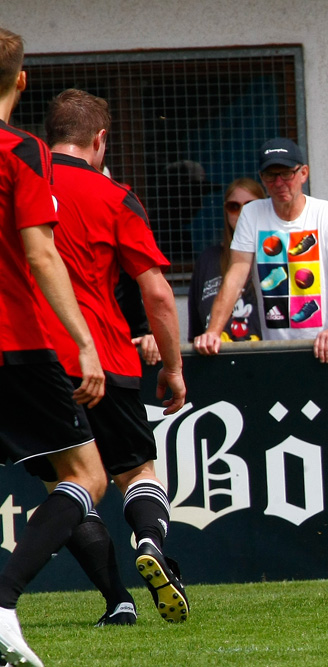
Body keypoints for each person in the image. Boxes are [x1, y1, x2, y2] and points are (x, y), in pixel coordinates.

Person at [38, 88, 189, 624]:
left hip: (39, 362)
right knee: (137, 470)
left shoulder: (21, 185)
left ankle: (117, 601)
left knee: (68, 484)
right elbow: (157, 292)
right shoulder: (114, 196)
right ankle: (150, 540)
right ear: (99, 139)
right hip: (108, 356)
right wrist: (171, 367)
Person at [0, 27, 110, 667]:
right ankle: (4, 599)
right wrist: (85, 343)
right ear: (21, 81)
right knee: (85, 476)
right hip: (15, 341)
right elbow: (41, 252)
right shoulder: (23, 149)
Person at [193, 138, 328, 363]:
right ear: (262, 178)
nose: (279, 182)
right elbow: (236, 276)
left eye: (286, 174)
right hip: (276, 350)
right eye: (270, 176)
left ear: (304, 173)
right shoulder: (253, 213)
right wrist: (213, 332)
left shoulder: (326, 214)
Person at [188, 177, 266, 340]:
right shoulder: (208, 259)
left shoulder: (276, 256)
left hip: (267, 357)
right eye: (234, 207)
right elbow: (196, 329)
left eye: (250, 206)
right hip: (218, 357)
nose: (242, 213)